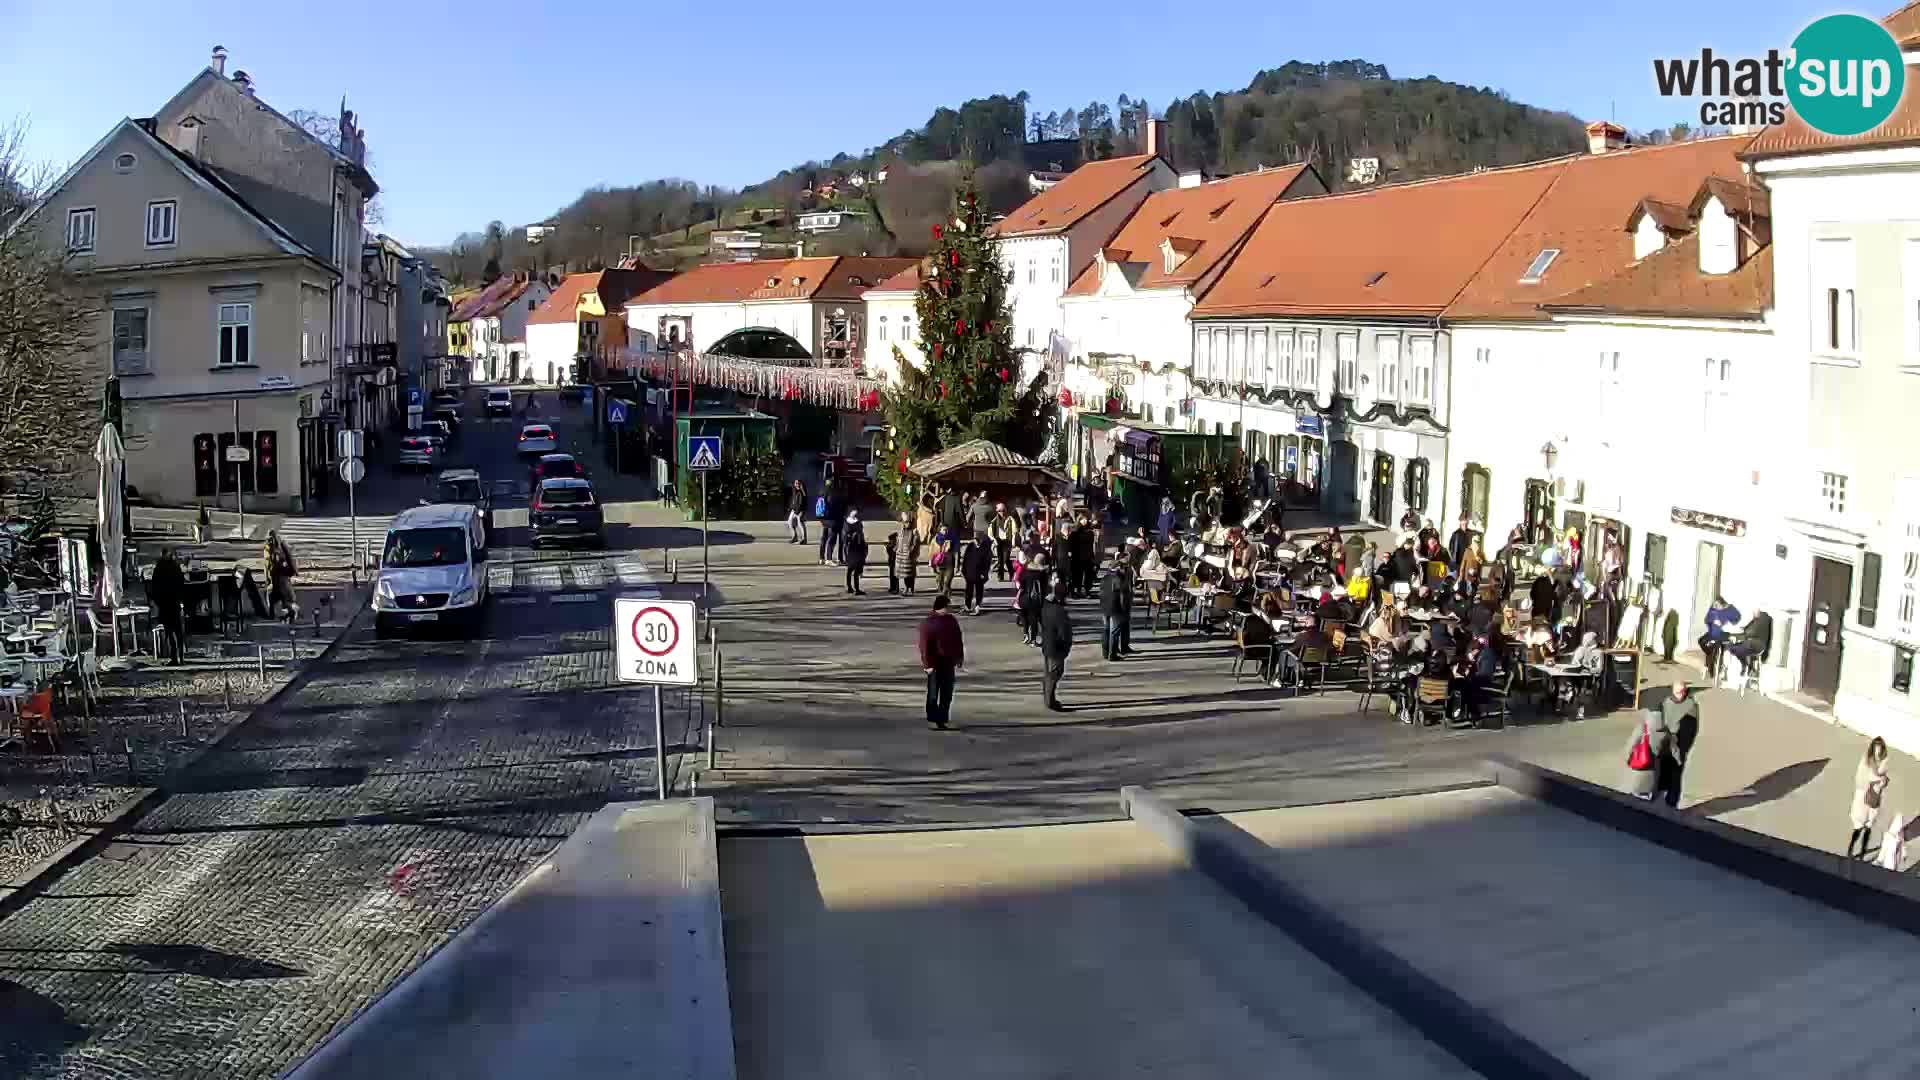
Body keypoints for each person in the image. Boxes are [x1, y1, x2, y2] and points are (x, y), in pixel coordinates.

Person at [916, 594, 964, 729]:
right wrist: (927, 664)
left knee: (947, 692)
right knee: (933, 692)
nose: (950, 608)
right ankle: (933, 717)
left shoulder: (951, 621)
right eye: (948, 606)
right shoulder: (928, 623)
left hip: (949, 662)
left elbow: (958, 640)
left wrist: (959, 657)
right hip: (935, 663)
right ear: (941, 607)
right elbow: (924, 645)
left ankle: (942, 718)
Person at [1849, 737, 1892, 859]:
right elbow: (1863, 778)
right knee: (1858, 826)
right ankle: (1851, 848)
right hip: (1863, 796)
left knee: (1869, 826)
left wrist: (1883, 781)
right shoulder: (1867, 760)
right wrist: (1879, 779)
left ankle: (1863, 851)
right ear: (1873, 747)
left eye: (1880, 747)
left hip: (1875, 797)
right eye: (1876, 746)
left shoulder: (1884, 762)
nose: (1878, 749)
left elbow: (1883, 781)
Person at [1659, 682, 1700, 809]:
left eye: (1683, 691)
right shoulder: (1666, 702)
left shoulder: (1691, 706)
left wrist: (1685, 746)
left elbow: (1692, 729)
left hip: (1680, 744)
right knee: (1665, 766)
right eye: (1678, 692)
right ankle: (1663, 791)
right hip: (1667, 742)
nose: (1681, 694)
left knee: (1676, 770)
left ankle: (1672, 799)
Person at [1622, 707, 1673, 802]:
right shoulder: (1667, 733)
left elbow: (1629, 749)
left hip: (1639, 777)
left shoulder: (1642, 728)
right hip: (1655, 782)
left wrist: (1628, 760)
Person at [149, 548, 187, 665]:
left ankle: (174, 658)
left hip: (165, 604)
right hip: (175, 603)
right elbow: (182, 584)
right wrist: (181, 600)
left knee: (170, 632)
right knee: (178, 631)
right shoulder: (175, 567)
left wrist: (157, 602)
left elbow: (154, 587)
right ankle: (181, 657)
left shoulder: (159, 568)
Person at [1040, 580, 1074, 710]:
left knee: (1049, 673)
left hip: (1048, 644)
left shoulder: (1046, 607)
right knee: (1054, 674)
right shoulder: (1059, 612)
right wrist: (1066, 646)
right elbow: (1064, 632)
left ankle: (1049, 698)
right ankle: (1050, 701)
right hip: (1057, 647)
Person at [1698, 595, 1741, 677]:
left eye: (1717, 606)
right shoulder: (1713, 609)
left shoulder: (1731, 609)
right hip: (1713, 633)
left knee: (1719, 645)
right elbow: (1707, 619)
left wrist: (1728, 624)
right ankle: (1710, 659)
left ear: (1723, 605)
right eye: (1714, 605)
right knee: (1702, 641)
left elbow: (1737, 619)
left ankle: (1718, 667)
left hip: (1724, 633)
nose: (1715, 607)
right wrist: (1712, 621)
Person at [262, 530, 298, 621]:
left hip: (281, 577)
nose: (271, 541)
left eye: (272, 539)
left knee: (283, 599)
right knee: (272, 597)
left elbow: (289, 557)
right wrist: (267, 578)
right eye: (269, 539)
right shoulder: (268, 548)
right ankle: (273, 614)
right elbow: (267, 564)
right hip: (275, 578)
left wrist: (293, 569)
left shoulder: (281, 546)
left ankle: (290, 613)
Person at [1100, 555, 1130, 661]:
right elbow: (1123, 596)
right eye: (1122, 568)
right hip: (1116, 607)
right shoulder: (1119, 579)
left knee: (1106, 630)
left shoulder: (1104, 578)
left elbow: (1101, 594)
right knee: (1114, 631)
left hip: (1105, 607)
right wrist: (1124, 609)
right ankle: (1112, 654)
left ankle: (1105, 652)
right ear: (1118, 568)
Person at [1018, 553, 1051, 646]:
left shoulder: (1026, 572)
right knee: (1037, 619)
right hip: (1036, 600)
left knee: (1028, 618)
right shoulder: (1042, 574)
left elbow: (1021, 584)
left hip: (1025, 598)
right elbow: (1046, 587)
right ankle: (1035, 639)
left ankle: (1028, 636)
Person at [960, 530, 991, 615]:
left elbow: (987, 562)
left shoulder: (985, 548)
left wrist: (984, 574)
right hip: (969, 572)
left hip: (979, 574)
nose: (976, 541)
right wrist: (963, 570)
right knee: (968, 591)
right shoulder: (970, 546)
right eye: (975, 539)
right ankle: (967, 606)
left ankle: (977, 606)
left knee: (979, 591)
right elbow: (965, 559)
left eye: (978, 539)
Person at [893, 512, 921, 596]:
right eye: (905, 522)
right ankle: (906, 588)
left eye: (908, 522)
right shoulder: (902, 531)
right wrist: (896, 549)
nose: (907, 524)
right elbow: (898, 541)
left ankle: (910, 589)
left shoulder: (914, 532)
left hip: (909, 556)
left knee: (910, 574)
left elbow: (915, 543)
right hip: (901, 555)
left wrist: (910, 551)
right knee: (904, 574)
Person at [842, 510, 869, 595]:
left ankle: (849, 587)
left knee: (850, 570)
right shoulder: (858, 525)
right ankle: (857, 589)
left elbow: (845, 540)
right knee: (856, 571)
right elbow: (862, 539)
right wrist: (865, 551)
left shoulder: (846, 524)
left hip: (850, 549)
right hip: (858, 549)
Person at [818, 487, 845, 566]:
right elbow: (838, 508)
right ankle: (829, 559)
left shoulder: (823, 492)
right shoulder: (836, 494)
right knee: (832, 539)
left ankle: (821, 558)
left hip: (824, 519)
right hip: (833, 520)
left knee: (824, 538)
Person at [989, 503, 1016, 582]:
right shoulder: (994, 520)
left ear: (1006, 510)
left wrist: (1013, 540)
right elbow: (990, 532)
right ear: (997, 511)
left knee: (1006, 558)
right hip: (999, 541)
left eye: (1003, 510)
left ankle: (1011, 574)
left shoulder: (1010, 519)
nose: (1002, 512)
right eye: (1000, 511)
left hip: (1007, 541)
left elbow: (1014, 530)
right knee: (1001, 559)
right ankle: (1001, 576)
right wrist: (993, 540)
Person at [931, 524, 957, 597]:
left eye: (947, 530)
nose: (946, 531)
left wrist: (957, 565)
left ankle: (946, 597)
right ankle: (946, 593)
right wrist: (931, 563)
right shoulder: (935, 540)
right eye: (944, 530)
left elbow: (956, 552)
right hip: (940, 563)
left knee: (947, 582)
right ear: (940, 530)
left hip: (950, 563)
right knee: (941, 582)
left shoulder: (952, 539)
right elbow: (932, 551)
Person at [785, 480, 809, 544]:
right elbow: (794, 500)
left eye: (798, 483)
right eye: (796, 483)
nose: (797, 484)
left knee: (800, 523)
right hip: (794, 509)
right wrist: (791, 508)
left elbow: (802, 503)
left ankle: (804, 539)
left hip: (800, 510)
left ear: (801, 484)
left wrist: (797, 511)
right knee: (790, 522)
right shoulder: (794, 490)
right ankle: (794, 537)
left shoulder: (802, 492)